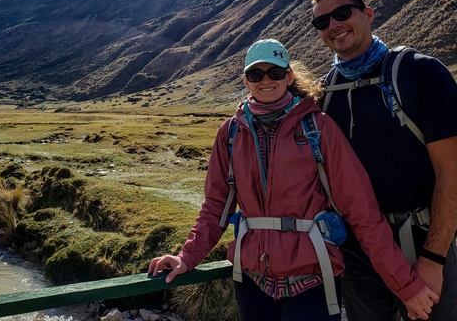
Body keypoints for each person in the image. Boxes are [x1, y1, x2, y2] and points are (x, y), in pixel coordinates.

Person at [148, 39, 436, 321]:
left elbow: (362, 211)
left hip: (312, 275)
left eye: (275, 72)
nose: (265, 80)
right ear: (246, 81)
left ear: (289, 76)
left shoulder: (318, 127)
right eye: (255, 74)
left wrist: (405, 285)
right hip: (251, 277)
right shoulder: (231, 134)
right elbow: (216, 205)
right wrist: (186, 258)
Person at [311, 0, 457, 321]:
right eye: (322, 22)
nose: (334, 25)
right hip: (359, 255)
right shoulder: (324, 94)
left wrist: (433, 259)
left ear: (369, 13)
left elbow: (452, 171)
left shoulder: (421, 73)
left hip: (426, 242)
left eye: (343, 13)